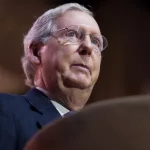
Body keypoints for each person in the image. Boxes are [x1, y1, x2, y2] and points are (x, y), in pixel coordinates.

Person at [0, 3, 108, 150]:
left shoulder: (103, 138)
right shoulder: (6, 110)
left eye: (96, 42)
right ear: (36, 52)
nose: (88, 47)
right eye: (72, 34)